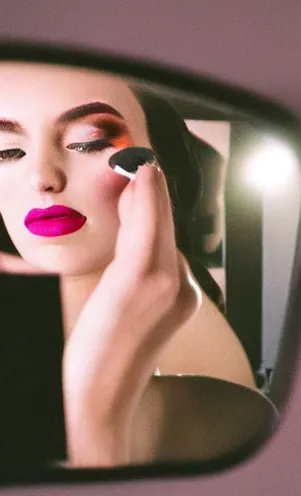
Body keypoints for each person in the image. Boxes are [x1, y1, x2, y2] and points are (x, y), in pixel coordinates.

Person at [0, 62, 256, 467]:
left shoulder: (213, 394)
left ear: (162, 166)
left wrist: (94, 415)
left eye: (89, 143)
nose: (41, 177)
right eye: (6, 151)